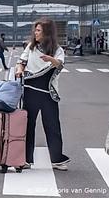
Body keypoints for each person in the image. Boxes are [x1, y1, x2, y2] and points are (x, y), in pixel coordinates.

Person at [15, 18, 70, 171]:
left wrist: (50, 59)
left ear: (47, 33)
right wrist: (19, 69)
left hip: (49, 93)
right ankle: (25, 159)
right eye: (36, 30)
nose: (35, 33)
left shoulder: (57, 49)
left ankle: (57, 159)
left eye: (38, 30)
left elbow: (60, 64)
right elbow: (21, 61)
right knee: (28, 126)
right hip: (31, 91)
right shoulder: (30, 47)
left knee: (52, 126)